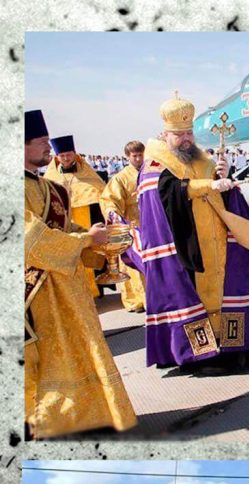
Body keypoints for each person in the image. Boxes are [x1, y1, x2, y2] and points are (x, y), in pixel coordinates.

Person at [128, 93, 249, 373]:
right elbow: (165, 196)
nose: (186, 140)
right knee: (192, 297)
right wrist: (206, 186)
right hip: (184, 246)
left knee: (230, 289)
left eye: (189, 133)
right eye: (179, 134)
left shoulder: (201, 158)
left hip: (218, 242)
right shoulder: (155, 164)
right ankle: (201, 355)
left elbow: (221, 192)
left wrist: (222, 177)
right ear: (165, 134)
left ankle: (235, 347)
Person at [24, 109, 137, 439]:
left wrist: (99, 240)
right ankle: (52, 421)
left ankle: (90, 413)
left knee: (82, 349)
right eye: (43, 143)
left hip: (70, 288)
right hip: (38, 293)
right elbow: (31, 239)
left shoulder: (51, 189)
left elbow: (66, 228)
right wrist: (87, 239)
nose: (50, 149)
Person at [43, 132, 107, 296]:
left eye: (68, 154)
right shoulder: (50, 177)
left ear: (75, 154)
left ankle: (94, 289)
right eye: (62, 155)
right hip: (64, 220)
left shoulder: (88, 174)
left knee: (90, 249)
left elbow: (100, 192)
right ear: (57, 157)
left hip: (86, 217)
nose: (65, 158)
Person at [100, 140, 147, 312]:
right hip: (131, 226)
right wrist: (114, 214)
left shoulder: (150, 173)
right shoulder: (119, 178)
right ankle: (135, 300)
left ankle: (152, 298)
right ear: (127, 157)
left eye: (140, 155)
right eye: (134, 156)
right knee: (131, 264)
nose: (138, 159)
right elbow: (109, 200)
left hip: (150, 225)